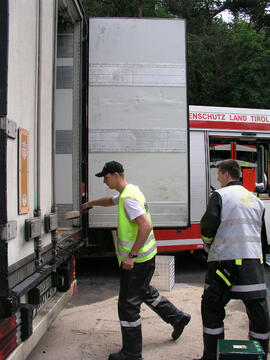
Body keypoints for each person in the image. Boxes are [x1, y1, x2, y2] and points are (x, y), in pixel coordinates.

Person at [81, 161, 191, 360]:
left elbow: (146, 226)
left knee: (128, 305)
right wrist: (90, 204)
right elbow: (109, 201)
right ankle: (178, 318)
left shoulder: (128, 197)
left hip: (137, 261)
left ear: (115, 175)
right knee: (144, 292)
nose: (105, 182)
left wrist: (131, 256)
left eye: (106, 178)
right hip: (146, 258)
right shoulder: (130, 191)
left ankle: (132, 353)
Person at [194, 159, 269, 360]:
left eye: (218, 174)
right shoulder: (255, 200)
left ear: (227, 174)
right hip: (253, 264)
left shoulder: (220, 196)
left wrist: (209, 245)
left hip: (224, 264)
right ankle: (260, 354)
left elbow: (207, 227)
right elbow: (262, 237)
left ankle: (211, 356)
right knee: (258, 311)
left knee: (211, 307)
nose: (217, 178)